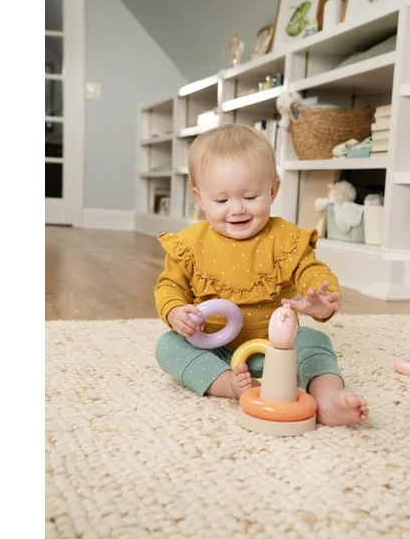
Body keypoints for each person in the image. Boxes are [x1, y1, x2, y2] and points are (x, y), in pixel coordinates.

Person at [154, 124, 368, 426]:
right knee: (168, 346)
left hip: (276, 348)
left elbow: (310, 269)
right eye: (221, 201)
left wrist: (321, 296)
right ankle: (227, 383)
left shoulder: (284, 238)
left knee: (314, 341)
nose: (237, 209)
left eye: (251, 197)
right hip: (211, 347)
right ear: (199, 198)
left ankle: (328, 397)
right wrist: (176, 311)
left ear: (272, 190)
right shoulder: (189, 244)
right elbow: (169, 286)